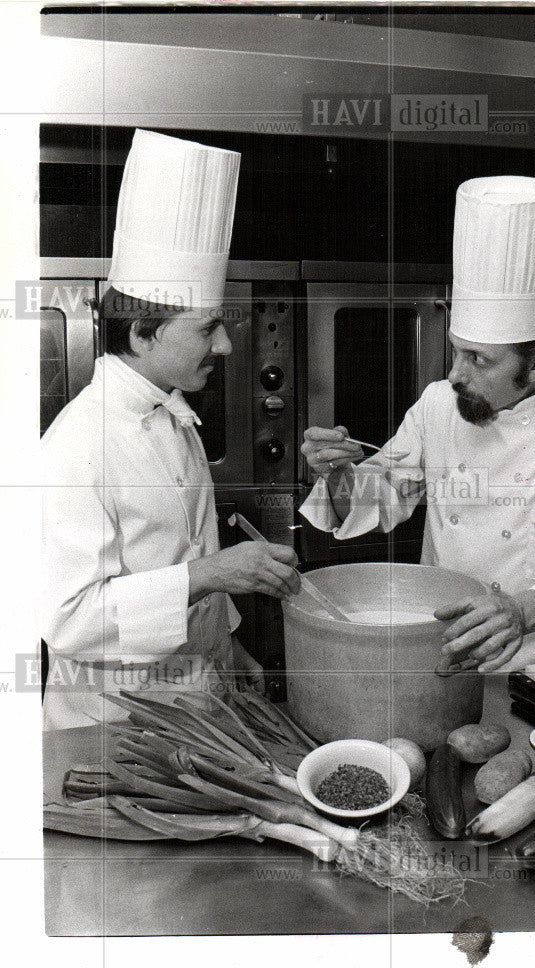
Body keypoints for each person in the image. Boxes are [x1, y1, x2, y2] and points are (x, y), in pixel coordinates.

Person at [300, 176, 535, 675]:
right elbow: (382, 497)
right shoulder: (438, 406)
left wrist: (520, 610)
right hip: (439, 647)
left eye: (480, 361)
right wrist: (336, 475)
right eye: (456, 351)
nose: (455, 375)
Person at [41, 130, 299, 729]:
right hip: (111, 729)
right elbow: (71, 619)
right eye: (207, 328)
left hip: (195, 704)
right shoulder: (76, 448)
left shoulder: (175, 416)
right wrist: (213, 575)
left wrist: (227, 647)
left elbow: (187, 552)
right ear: (140, 333)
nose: (228, 344)